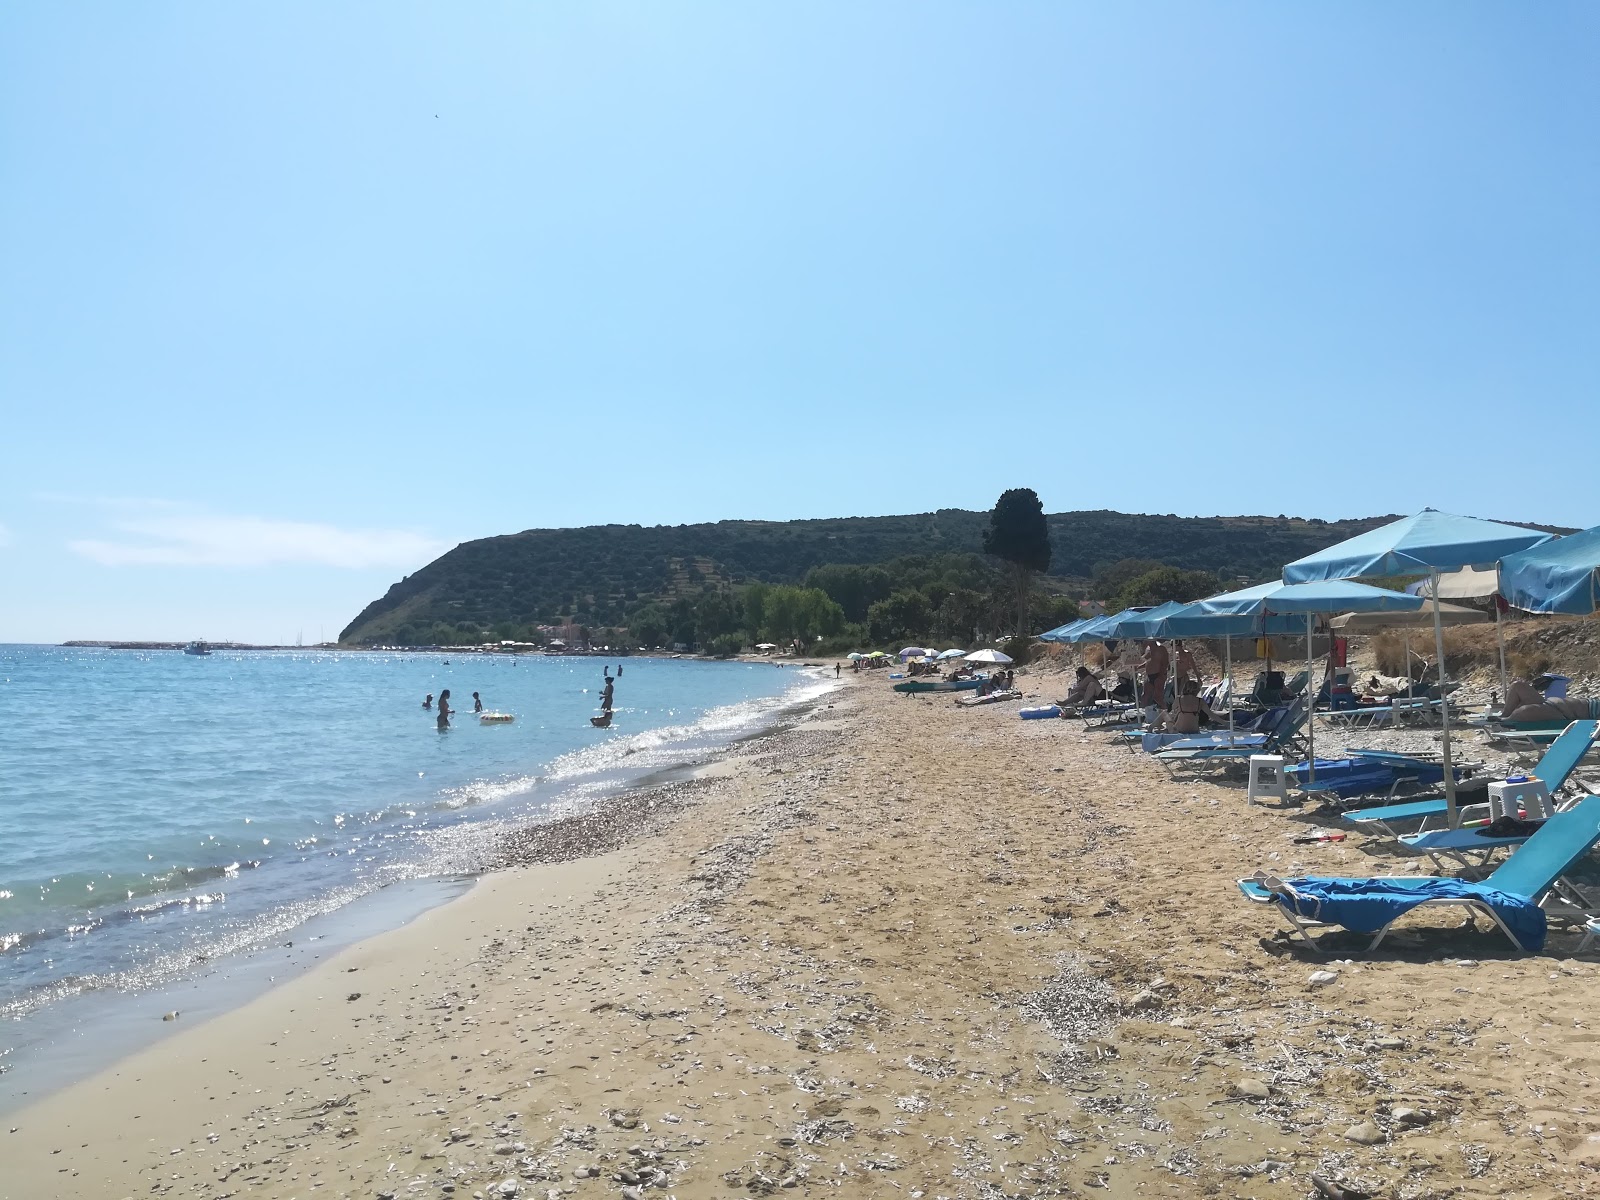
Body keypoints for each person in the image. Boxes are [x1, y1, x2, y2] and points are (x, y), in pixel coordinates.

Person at [1156, 679, 1221, 734]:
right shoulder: (1200, 701)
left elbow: (1173, 711)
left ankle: (1151, 728)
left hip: (1179, 730)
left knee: (1164, 714)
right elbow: (1211, 715)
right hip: (1194, 730)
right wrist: (1225, 723)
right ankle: (1163, 729)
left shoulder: (1179, 699)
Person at [1139, 640, 1169, 707]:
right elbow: (1149, 662)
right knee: (1145, 696)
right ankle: (1143, 714)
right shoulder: (1148, 649)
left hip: (1158, 674)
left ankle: (1166, 711)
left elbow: (1165, 663)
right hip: (1149, 675)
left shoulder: (1160, 649)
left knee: (1158, 697)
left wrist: (1161, 676)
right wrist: (1139, 667)